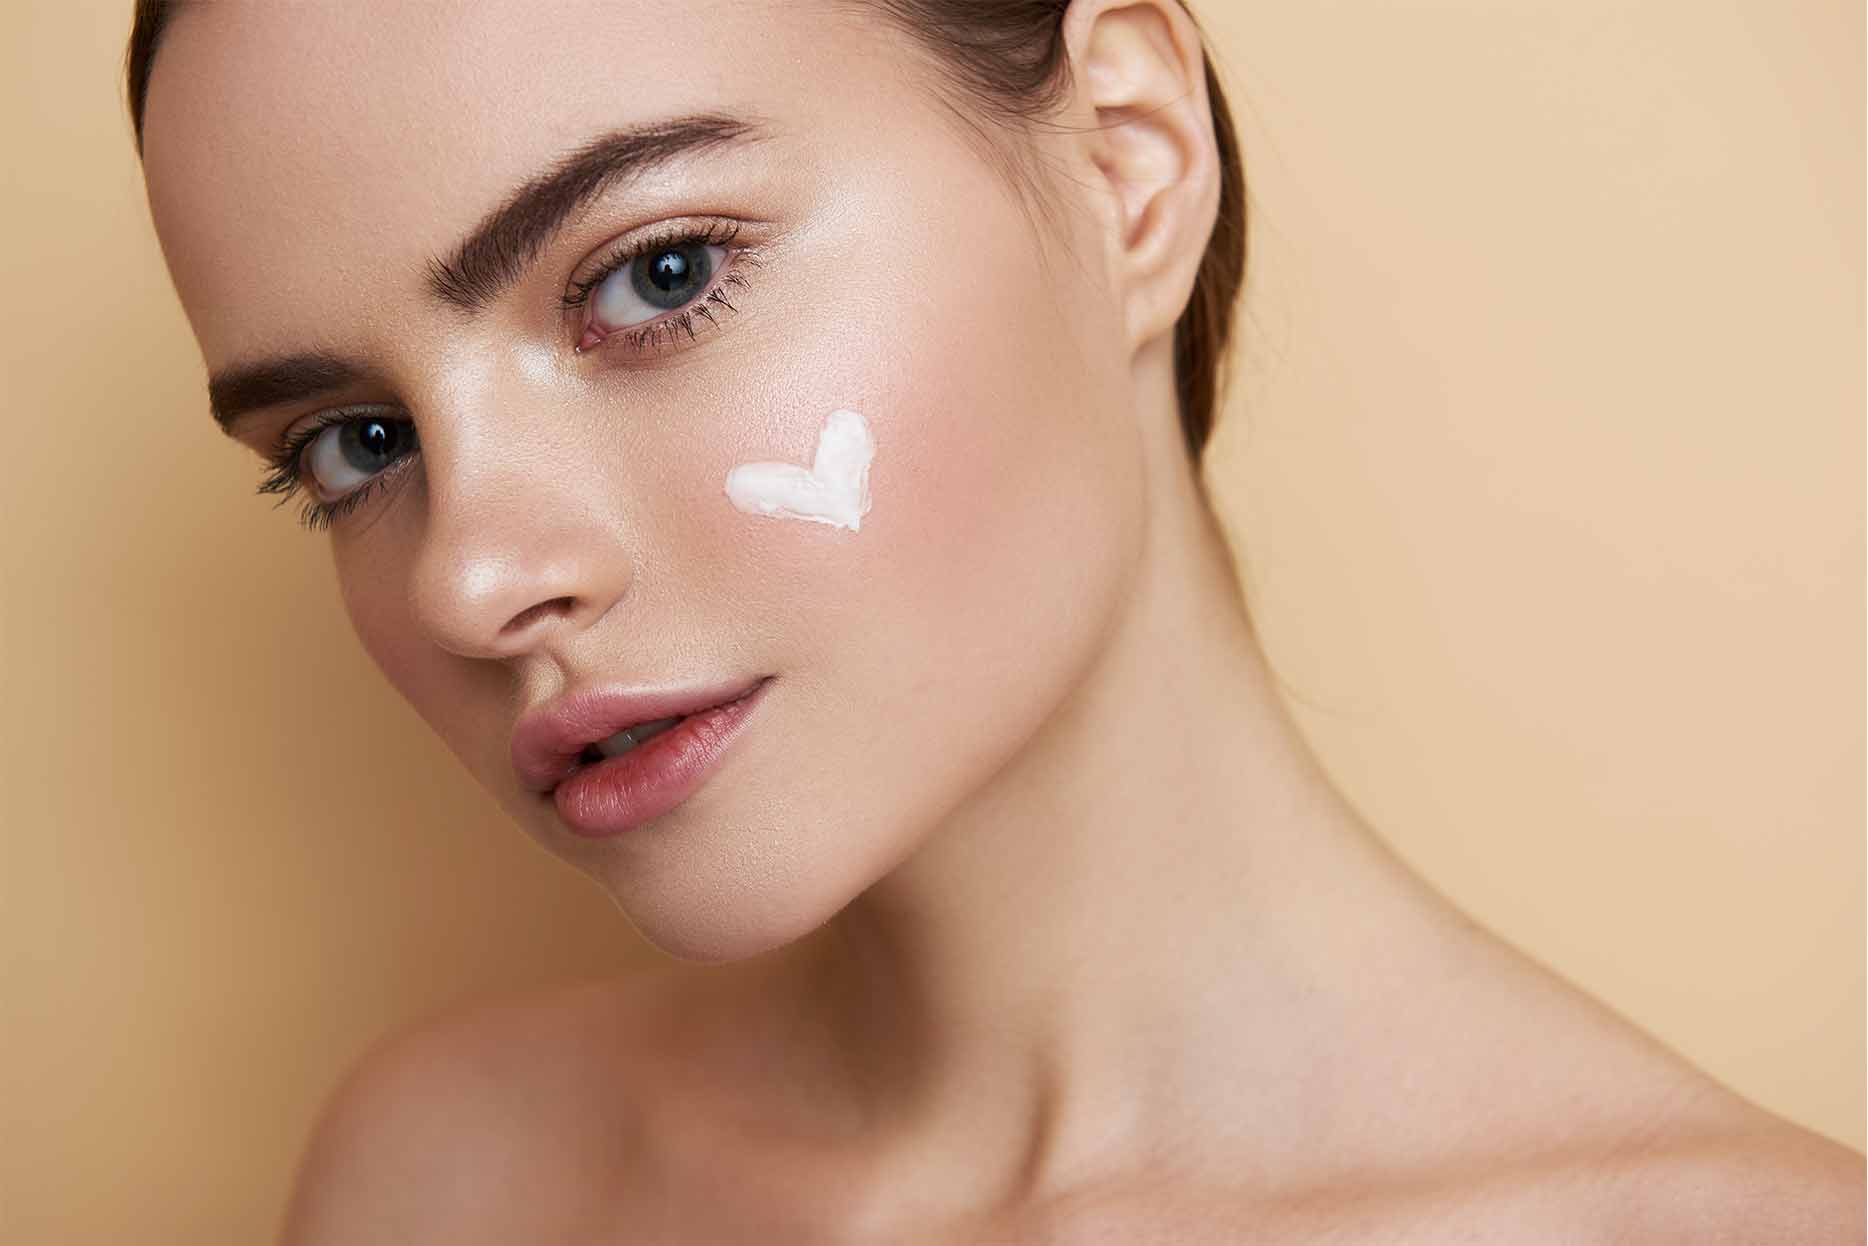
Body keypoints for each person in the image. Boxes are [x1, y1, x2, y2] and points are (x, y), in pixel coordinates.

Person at [124, 0, 1861, 1239]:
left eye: (656, 275)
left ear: (1126, 164)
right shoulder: (441, 1183)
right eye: (353, 445)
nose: (471, 578)